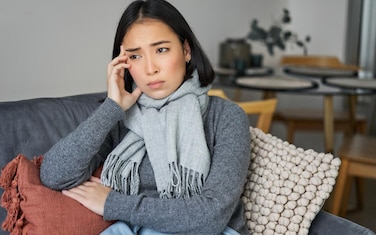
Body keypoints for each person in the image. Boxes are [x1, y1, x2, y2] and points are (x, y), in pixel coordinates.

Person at [39, 0, 251, 234]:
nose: (150, 69)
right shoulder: (120, 119)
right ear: (123, 62)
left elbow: (211, 216)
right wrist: (111, 108)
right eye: (135, 56)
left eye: (161, 50)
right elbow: (54, 176)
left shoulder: (226, 117)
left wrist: (113, 203)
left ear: (186, 50)